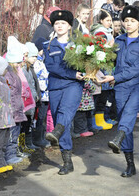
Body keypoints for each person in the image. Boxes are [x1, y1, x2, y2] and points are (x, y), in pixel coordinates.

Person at [101, 5, 139, 177]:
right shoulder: (118, 40)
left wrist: (114, 77)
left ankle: (119, 137)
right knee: (125, 120)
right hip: (121, 87)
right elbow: (110, 62)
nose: (128, 24)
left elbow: (137, 69)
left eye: (133, 21)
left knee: (129, 114)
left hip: (138, 84)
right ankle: (130, 164)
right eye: (126, 21)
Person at [43, 10, 84, 175]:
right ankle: (67, 161)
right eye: (57, 24)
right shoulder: (48, 45)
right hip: (55, 86)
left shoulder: (78, 44)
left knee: (65, 113)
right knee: (60, 120)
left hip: (73, 85)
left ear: (69, 26)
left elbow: (87, 62)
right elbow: (52, 67)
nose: (60, 26)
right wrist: (72, 73)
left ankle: (57, 132)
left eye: (63, 23)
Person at [4, 36, 28, 164]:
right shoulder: (9, 74)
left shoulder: (15, 73)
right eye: (18, 63)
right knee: (11, 135)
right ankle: (10, 155)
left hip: (17, 109)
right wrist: (14, 110)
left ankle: (13, 154)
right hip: (13, 111)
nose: (20, 65)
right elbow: (11, 94)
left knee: (16, 134)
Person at [22, 42, 41, 151]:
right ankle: (23, 145)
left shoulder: (30, 68)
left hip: (32, 101)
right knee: (25, 125)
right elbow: (28, 85)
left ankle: (28, 144)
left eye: (36, 56)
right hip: (27, 102)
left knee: (29, 124)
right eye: (32, 56)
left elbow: (33, 84)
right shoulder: (24, 69)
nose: (35, 58)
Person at [33, 37, 51, 148]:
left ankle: (41, 137)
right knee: (39, 117)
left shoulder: (42, 61)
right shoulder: (37, 63)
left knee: (42, 116)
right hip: (41, 95)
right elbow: (39, 79)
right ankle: (37, 138)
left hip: (45, 95)